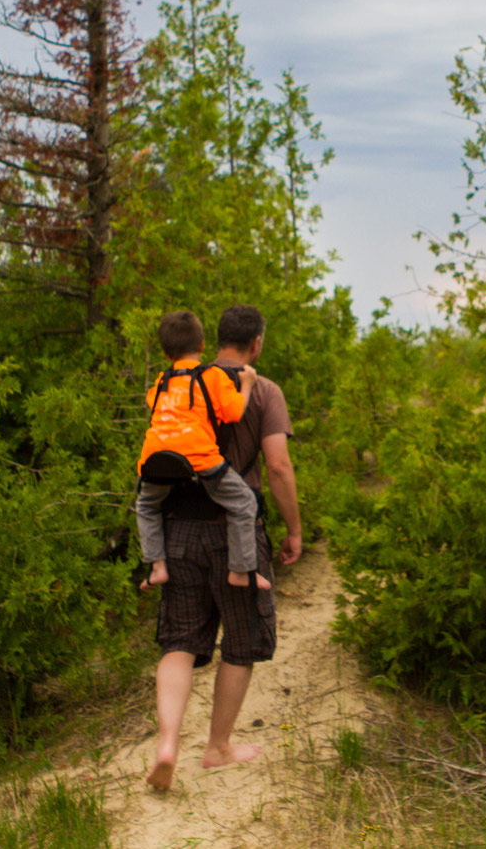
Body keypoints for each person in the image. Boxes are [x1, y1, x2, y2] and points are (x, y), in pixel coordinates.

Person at [143, 304, 302, 791]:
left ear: (216, 340)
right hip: (237, 532)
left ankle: (167, 742)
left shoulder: (176, 384)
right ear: (255, 344)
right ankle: (217, 747)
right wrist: (294, 529)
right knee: (240, 639)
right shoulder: (264, 390)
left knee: (180, 642)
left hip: (180, 529)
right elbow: (277, 466)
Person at [135, 310, 267, 590]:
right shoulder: (213, 376)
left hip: (158, 458)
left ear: (165, 350)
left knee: (146, 505)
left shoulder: (161, 382)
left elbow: (152, 404)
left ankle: (157, 567)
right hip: (199, 457)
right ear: (203, 344)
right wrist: (247, 385)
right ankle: (241, 570)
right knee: (243, 502)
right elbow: (234, 413)